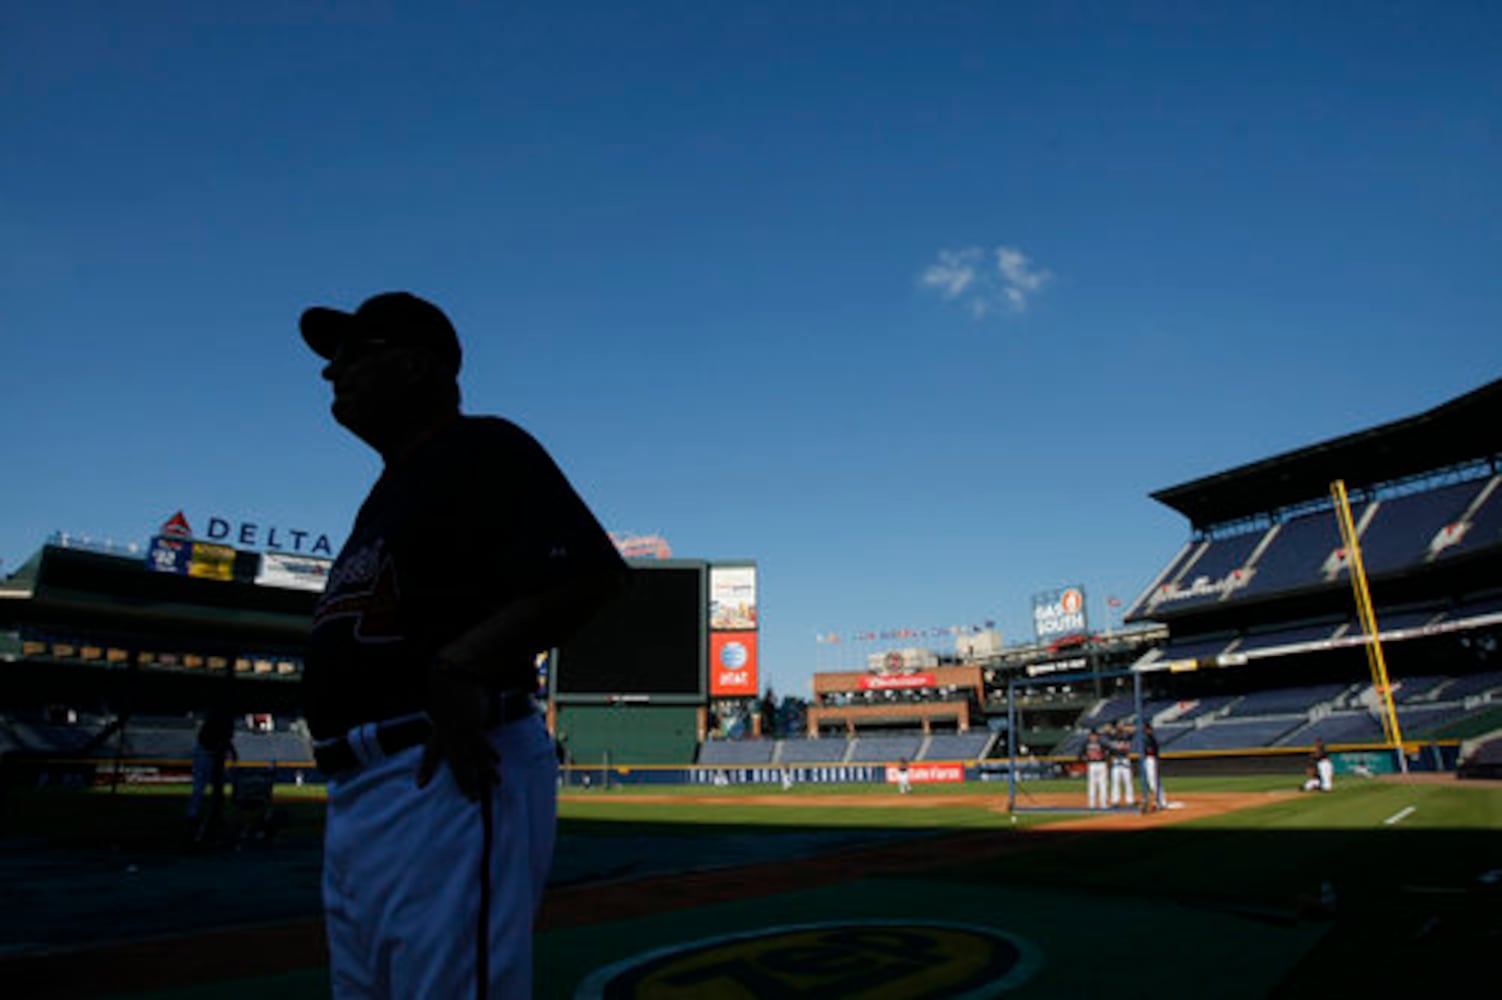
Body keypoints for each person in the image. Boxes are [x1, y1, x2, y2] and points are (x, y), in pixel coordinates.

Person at [299, 291, 628, 1000]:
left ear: (415, 367)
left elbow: (590, 572)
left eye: (353, 354)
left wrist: (461, 665)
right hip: (362, 787)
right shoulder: (388, 490)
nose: (333, 373)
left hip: (442, 771)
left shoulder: (480, 446)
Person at [186, 704, 238, 845]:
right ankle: (193, 816)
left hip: (213, 753)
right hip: (205, 752)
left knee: (215, 788)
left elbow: (226, 741)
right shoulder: (218, 720)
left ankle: (212, 816)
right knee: (199, 787)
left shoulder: (225, 720)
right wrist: (228, 752)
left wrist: (230, 752)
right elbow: (214, 740)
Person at [1108, 722, 1135, 808]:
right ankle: (1115, 801)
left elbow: (1133, 730)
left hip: (1125, 759)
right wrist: (1115, 729)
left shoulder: (1127, 736)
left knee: (1128, 781)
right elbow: (1106, 729)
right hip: (1115, 760)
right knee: (1116, 782)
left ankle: (1130, 801)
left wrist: (1123, 727)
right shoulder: (1112, 736)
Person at [1141, 722, 1165, 810]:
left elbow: (1153, 751)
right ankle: (1159, 801)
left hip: (1151, 760)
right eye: (1145, 729)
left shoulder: (1151, 739)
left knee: (1153, 782)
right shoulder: (1146, 738)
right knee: (1151, 782)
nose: (1145, 731)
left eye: (1147, 729)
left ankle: (1160, 801)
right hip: (1148, 760)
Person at [1082, 729, 1108, 810]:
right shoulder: (1086, 744)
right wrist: (1084, 757)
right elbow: (1080, 754)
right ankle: (1091, 804)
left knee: (1103, 784)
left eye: (1095, 736)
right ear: (1089, 736)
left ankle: (1103, 803)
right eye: (1092, 736)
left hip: (1101, 764)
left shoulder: (1102, 743)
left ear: (1097, 736)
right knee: (1091, 785)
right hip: (1091, 764)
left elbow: (1108, 751)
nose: (1093, 737)